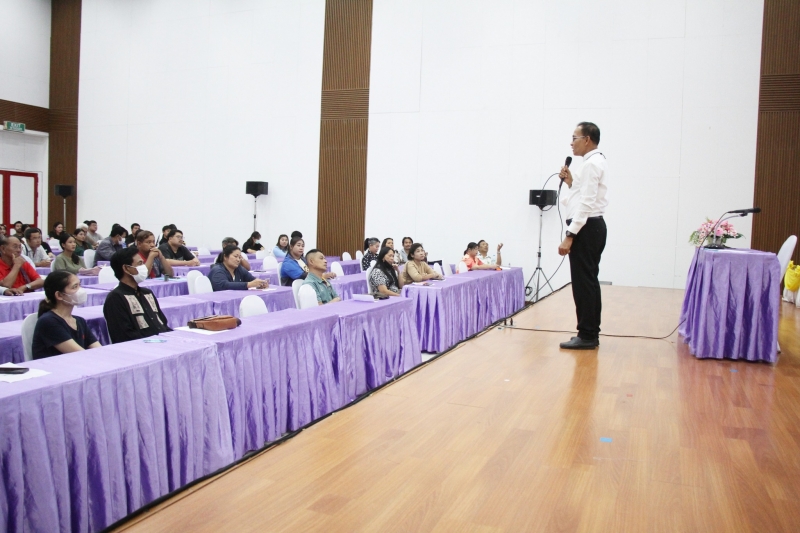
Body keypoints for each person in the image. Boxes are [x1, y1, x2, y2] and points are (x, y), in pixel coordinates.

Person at [557, 122, 608, 350]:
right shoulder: (595, 162)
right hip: (592, 228)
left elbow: (586, 204)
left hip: (586, 229)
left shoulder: (590, 165)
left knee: (583, 284)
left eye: (575, 138)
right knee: (588, 282)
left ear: (587, 139)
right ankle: (589, 332)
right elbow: (583, 195)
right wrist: (571, 183)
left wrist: (570, 235)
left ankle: (587, 335)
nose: (571, 143)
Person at [103, 247, 171, 343]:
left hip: (163, 342)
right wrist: (157, 342)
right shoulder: (115, 298)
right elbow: (124, 336)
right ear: (126, 268)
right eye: (140, 264)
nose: (144, 267)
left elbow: (163, 324)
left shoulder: (147, 293)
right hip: (142, 347)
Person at [31, 271, 101, 359]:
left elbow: (99, 350)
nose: (80, 290)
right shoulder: (48, 322)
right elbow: (81, 355)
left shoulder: (80, 321)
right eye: (75, 287)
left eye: (80, 285)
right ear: (59, 295)